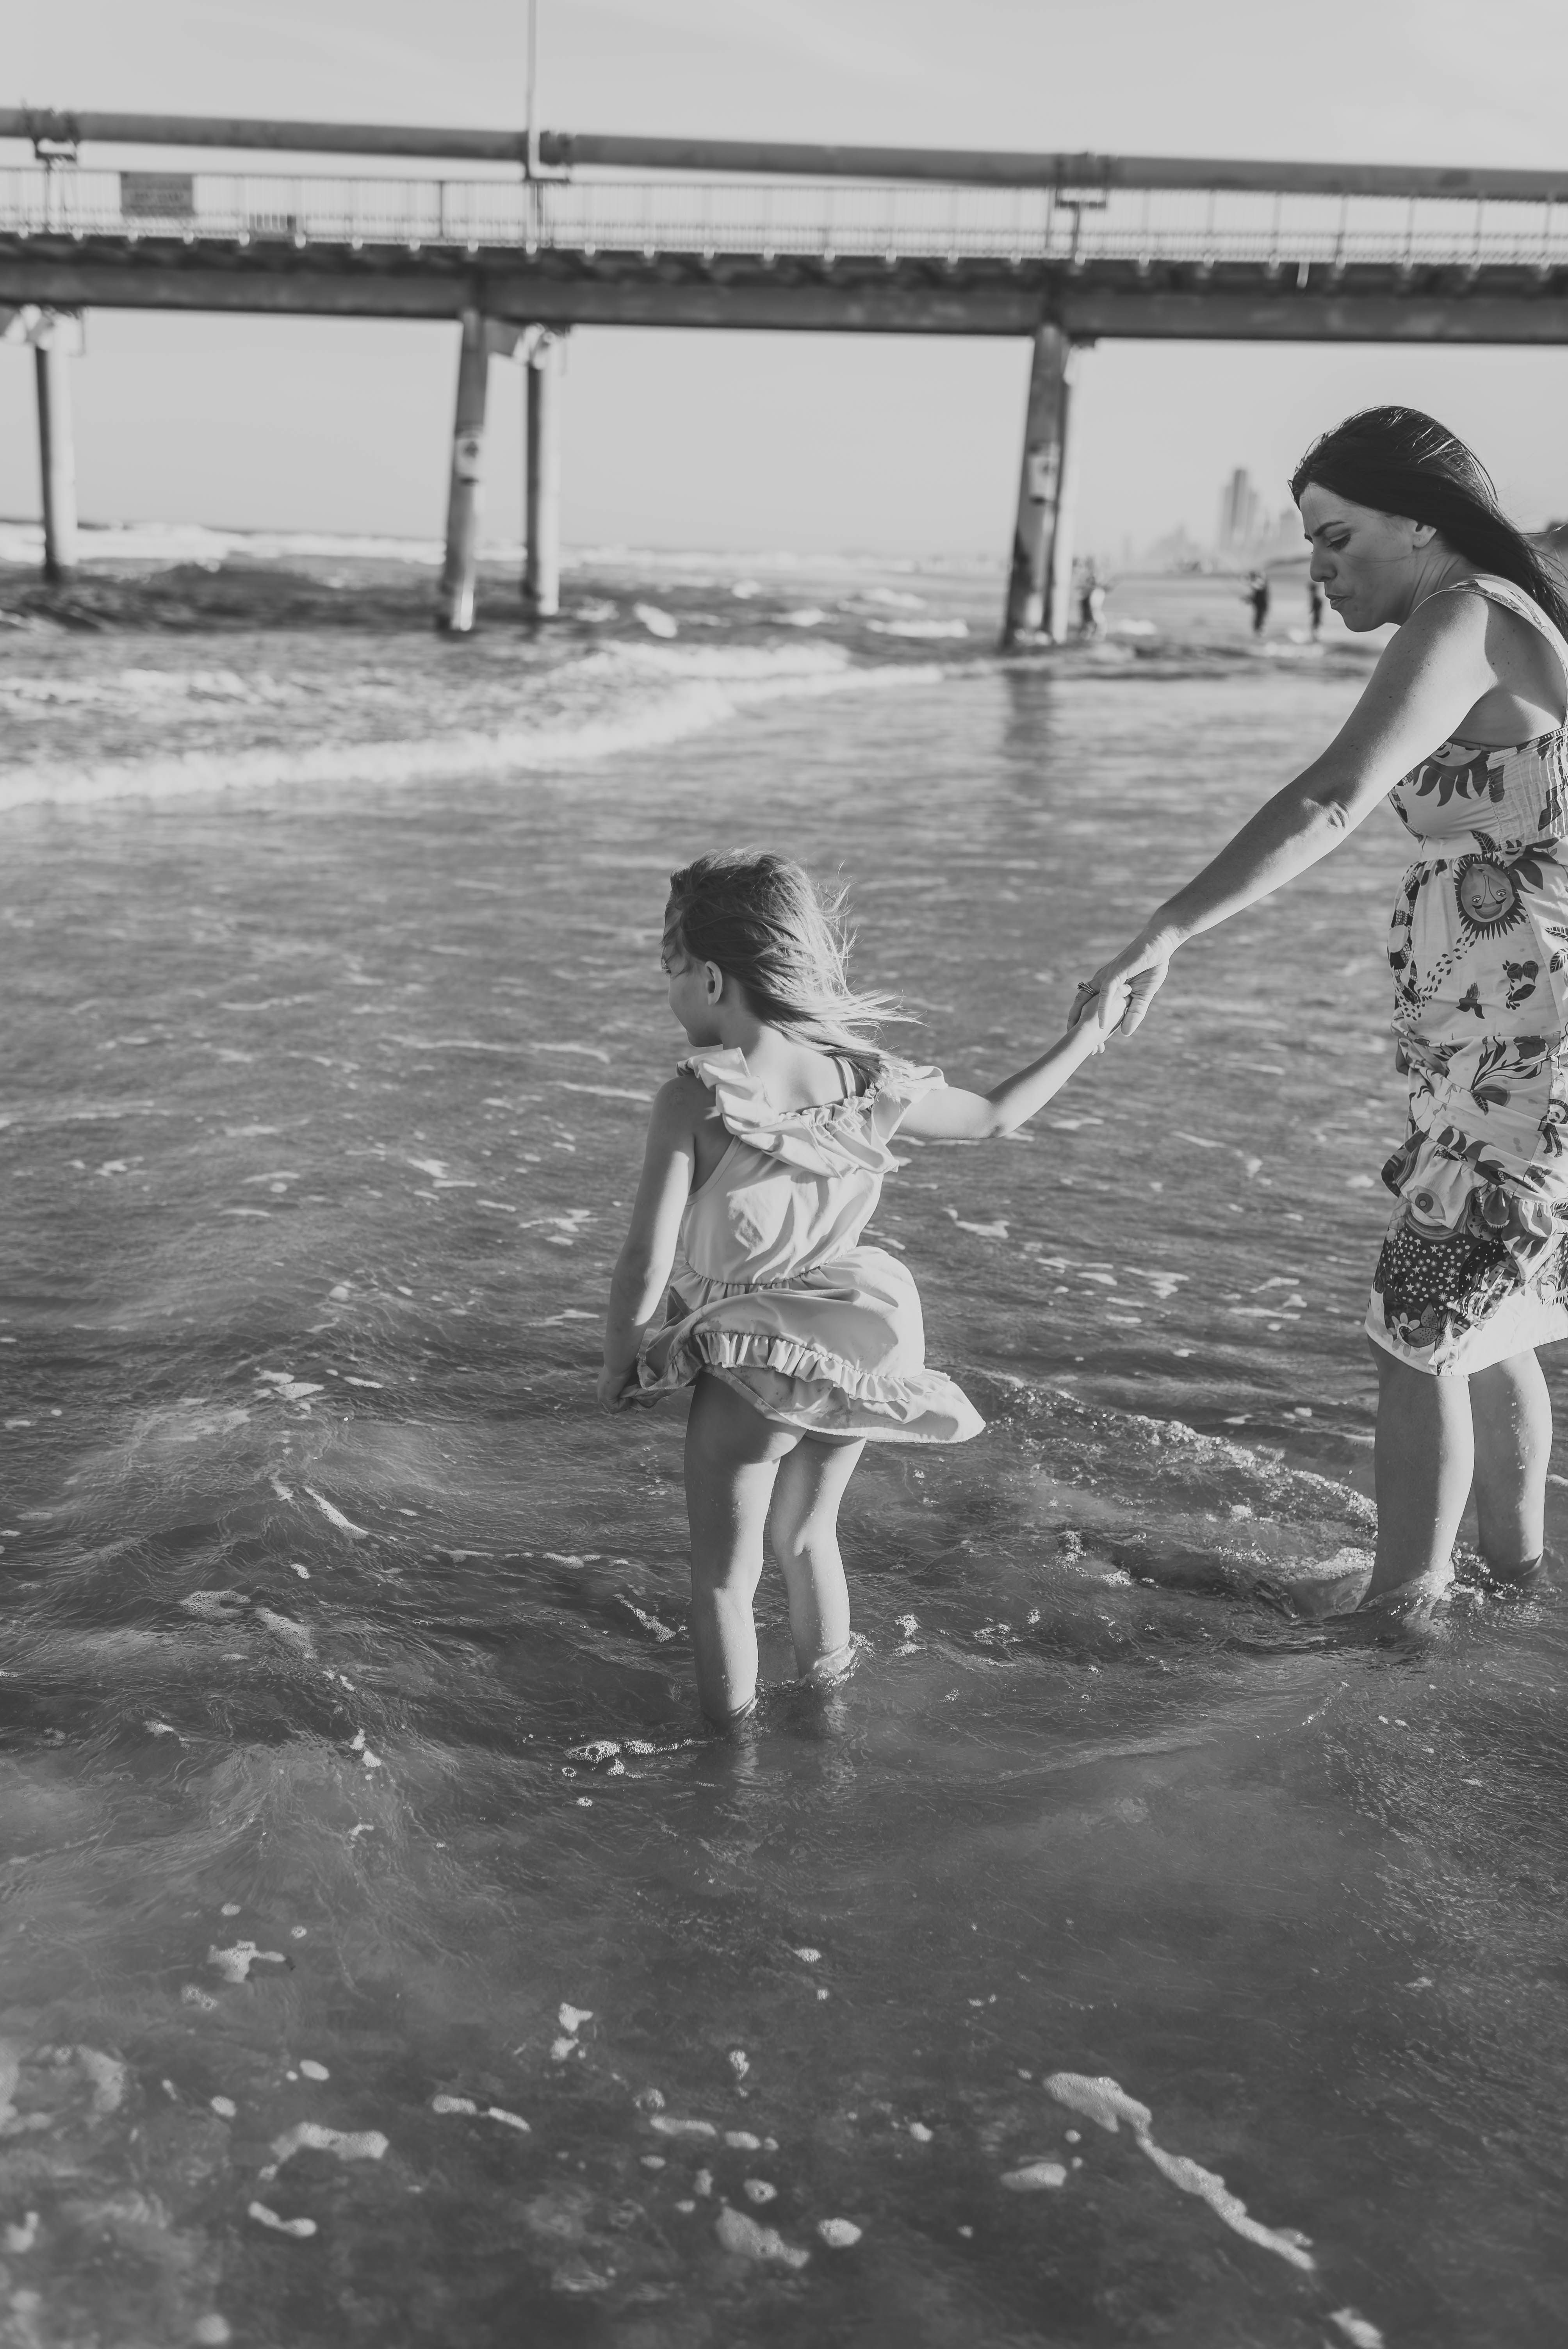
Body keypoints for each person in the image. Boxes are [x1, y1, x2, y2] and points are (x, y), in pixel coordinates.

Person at [1072, 406, 1568, 1615]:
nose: (1318, 568)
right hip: (1500, 1047)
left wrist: (1169, 926)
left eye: (1337, 538)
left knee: (1419, 1318)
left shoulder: (1470, 614)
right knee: (1491, 1325)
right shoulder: (1511, 612)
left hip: (1525, 1054)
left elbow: (1335, 798)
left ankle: (1402, 1617)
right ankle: (1515, 1584)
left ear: (1420, 523)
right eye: (1309, 542)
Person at [599, 849, 1128, 1724]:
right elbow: (996, 1116)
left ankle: (731, 1756)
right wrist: (1086, 1033)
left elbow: (643, 1265)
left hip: (751, 1355)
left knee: (725, 1580)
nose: (670, 992)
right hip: (852, 1340)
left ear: (714, 978)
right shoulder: (866, 1077)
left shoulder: (694, 1100)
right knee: (810, 1538)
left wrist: (623, 1358)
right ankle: (827, 1718)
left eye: (671, 971)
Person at [1247, 570, 1271, 635]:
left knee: (1260, 621)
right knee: (1257, 621)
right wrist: (1249, 599)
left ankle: (1260, 633)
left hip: (1263, 606)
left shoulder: (1263, 584)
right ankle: (1258, 633)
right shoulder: (1257, 584)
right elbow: (1255, 597)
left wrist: (1249, 583)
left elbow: (1258, 587)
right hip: (1259, 606)